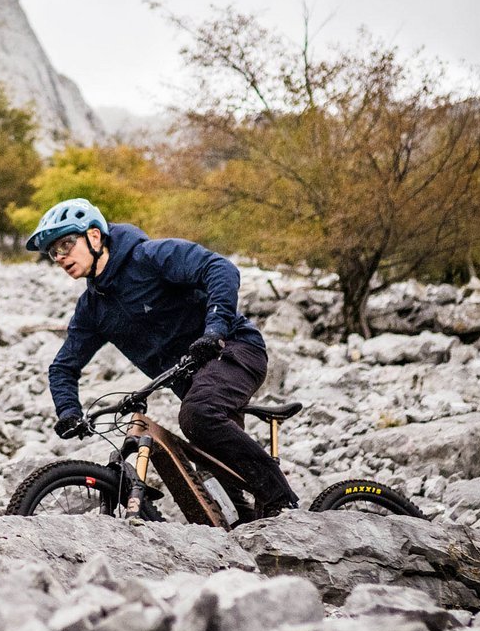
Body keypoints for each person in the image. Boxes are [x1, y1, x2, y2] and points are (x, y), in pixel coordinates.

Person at [26, 197, 299, 518]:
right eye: (53, 252)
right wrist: (69, 412)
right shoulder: (93, 308)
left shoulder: (150, 257)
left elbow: (220, 268)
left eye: (66, 244)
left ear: (95, 236)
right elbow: (63, 367)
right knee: (210, 467)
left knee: (198, 417)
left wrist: (214, 330)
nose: (60, 257)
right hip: (192, 381)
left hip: (234, 349)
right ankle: (246, 524)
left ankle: (283, 503)